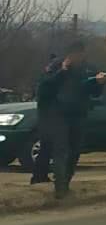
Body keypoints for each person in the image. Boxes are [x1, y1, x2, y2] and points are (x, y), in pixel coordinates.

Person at [34, 41, 106, 198]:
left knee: (74, 151)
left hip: (78, 114)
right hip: (57, 114)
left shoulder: (89, 68)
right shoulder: (55, 66)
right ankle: (60, 187)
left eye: (81, 55)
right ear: (69, 54)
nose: (79, 58)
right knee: (61, 150)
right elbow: (44, 87)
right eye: (76, 55)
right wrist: (62, 71)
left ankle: (66, 183)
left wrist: (99, 83)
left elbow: (94, 92)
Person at [30, 54, 61, 184]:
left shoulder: (44, 80)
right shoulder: (48, 82)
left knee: (46, 149)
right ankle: (39, 176)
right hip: (49, 118)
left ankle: (40, 176)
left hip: (47, 118)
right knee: (47, 149)